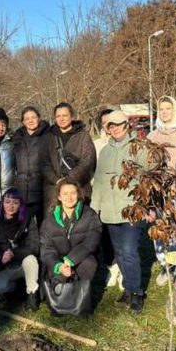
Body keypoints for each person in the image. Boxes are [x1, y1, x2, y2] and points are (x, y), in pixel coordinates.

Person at [91, 110, 151, 314]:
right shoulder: (105, 152)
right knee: (119, 252)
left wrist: (147, 206)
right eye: (111, 126)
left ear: (127, 125)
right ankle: (128, 288)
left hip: (131, 210)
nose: (114, 128)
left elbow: (147, 180)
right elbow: (99, 181)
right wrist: (95, 209)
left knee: (129, 251)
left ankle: (136, 293)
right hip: (109, 211)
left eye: (118, 124)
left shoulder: (139, 149)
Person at [146, 96, 176, 287]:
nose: (165, 112)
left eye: (168, 108)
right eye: (162, 109)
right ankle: (164, 264)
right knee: (160, 230)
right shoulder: (152, 136)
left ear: (175, 110)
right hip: (157, 192)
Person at [40, 179, 101, 316]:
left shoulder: (90, 215)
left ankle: (82, 301)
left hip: (80, 257)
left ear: (78, 195)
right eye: (65, 193)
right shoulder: (49, 219)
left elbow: (91, 241)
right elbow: (46, 249)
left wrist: (71, 260)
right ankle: (59, 300)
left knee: (90, 264)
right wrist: (59, 265)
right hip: (58, 260)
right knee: (54, 269)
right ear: (59, 197)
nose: (69, 197)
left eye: (73, 193)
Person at [0, 188, 40, 310]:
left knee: (31, 259)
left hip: (23, 264)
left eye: (15, 203)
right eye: (7, 202)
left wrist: (14, 253)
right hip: (5, 267)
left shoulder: (28, 219)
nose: (10, 206)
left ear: (20, 205)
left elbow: (34, 246)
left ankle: (32, 294)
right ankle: (13, 289)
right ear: (2, 203)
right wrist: (1, 256)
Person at [42, 102, 96, 208]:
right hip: (54, 191)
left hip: (78, 189)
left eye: (65, 115)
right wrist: (57, 180)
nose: (61, 119)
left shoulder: (83, 136)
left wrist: (68, 180)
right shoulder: (49, 137)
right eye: (58, 116)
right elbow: (44, 163)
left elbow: (88, 161)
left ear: (71, 117)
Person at [92, 108, 122, 290]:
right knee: (105, 236)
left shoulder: (126, 144)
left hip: (120, 197)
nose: (108, 126)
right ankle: (112, 267)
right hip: (102, 196)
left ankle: (124, 269)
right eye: (105, 123)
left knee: (122, 236)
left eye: (112, 122)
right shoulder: (96, 145)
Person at [12, 106, 49, 225]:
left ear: (39, 118)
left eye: (33, 117)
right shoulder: (17, 139)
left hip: (42, 189)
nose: (31, 120)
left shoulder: (48, 136)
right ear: (23, 122)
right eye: (27, 118)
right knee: (23, 227)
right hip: (23, 190)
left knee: (43, 226)